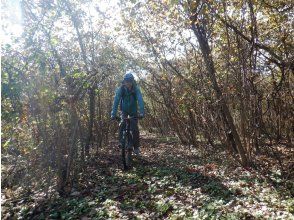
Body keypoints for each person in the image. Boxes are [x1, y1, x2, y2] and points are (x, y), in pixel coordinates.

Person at [111, 72, 145, 155]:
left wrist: (142, 112)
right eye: (126, 81)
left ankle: (136, 147)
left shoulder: (136, 89)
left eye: (130, 81)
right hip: (124, 110)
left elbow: (140, 100)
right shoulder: (121, 89)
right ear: (124, 82)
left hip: (133, 111)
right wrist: (113, 114)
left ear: (132, 81)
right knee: (122, 124)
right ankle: (121, 142)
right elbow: (116, 101)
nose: (128, 83)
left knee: (134, 129)